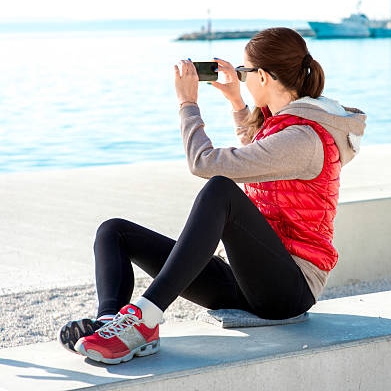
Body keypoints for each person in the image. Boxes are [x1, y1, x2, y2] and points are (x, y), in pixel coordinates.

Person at [58, 27, 367, 364]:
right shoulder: (287, 128)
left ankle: (144, 319)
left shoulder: (303, 137)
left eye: (245, 72)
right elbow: (261, 157)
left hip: (289, 289)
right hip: (248, 279)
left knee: (220, 190)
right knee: (114, 231)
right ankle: (111, 324)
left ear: (262, 76)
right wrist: (236, 100)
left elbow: (203, 163)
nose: (242, 78)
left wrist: (188, 104)